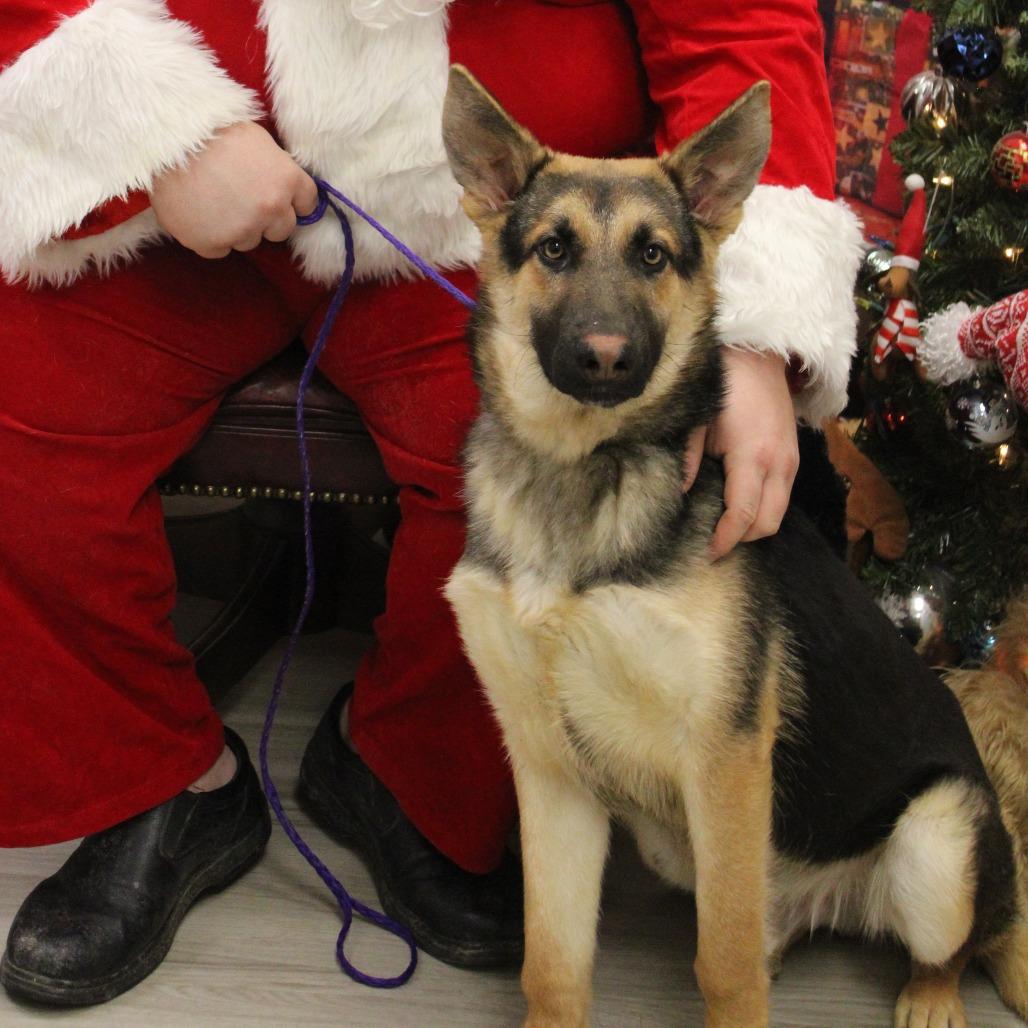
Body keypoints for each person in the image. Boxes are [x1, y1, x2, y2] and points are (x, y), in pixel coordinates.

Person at [0, 0, 863, 1005]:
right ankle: (154, 776)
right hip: (167, 201)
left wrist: (753, 332)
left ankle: (405, 770)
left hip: (469, 222)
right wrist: (156, 130)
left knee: (537, 474)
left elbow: (737, 24)